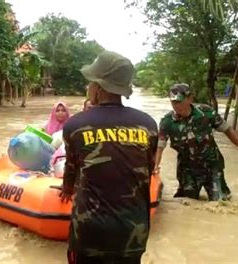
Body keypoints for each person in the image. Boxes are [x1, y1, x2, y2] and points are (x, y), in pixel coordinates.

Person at [60, 51, 158, 264]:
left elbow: (71, 171)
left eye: (90, 82)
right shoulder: (148, 125)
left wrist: (66, 189)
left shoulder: (75, 126)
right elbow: (147, 172)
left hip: (90, 233)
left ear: (99, 87)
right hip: (133, 232)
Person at [154, 83, 238, 201]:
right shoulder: (167, 122)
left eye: (179, 102)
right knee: (186, 203)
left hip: (212, 166)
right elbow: (160, 146)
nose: (176, 106)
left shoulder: (207, 113)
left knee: (221, 203)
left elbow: (229, 131)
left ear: (190, 99)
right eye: (173, 102)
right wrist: (155, 166)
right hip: (187, 170)